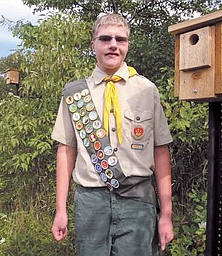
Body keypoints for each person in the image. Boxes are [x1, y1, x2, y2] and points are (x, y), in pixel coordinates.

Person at [51, 13, 173, 256]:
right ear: (93, 44)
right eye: (105, 38)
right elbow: (66, 150)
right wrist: (60, 209)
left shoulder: (147, 90)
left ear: (127, 45)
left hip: (138, 201)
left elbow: (161, 151)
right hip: (90, 202)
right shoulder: (75, 94)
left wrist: (166, 214)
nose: (113, 45)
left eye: (121, 39)